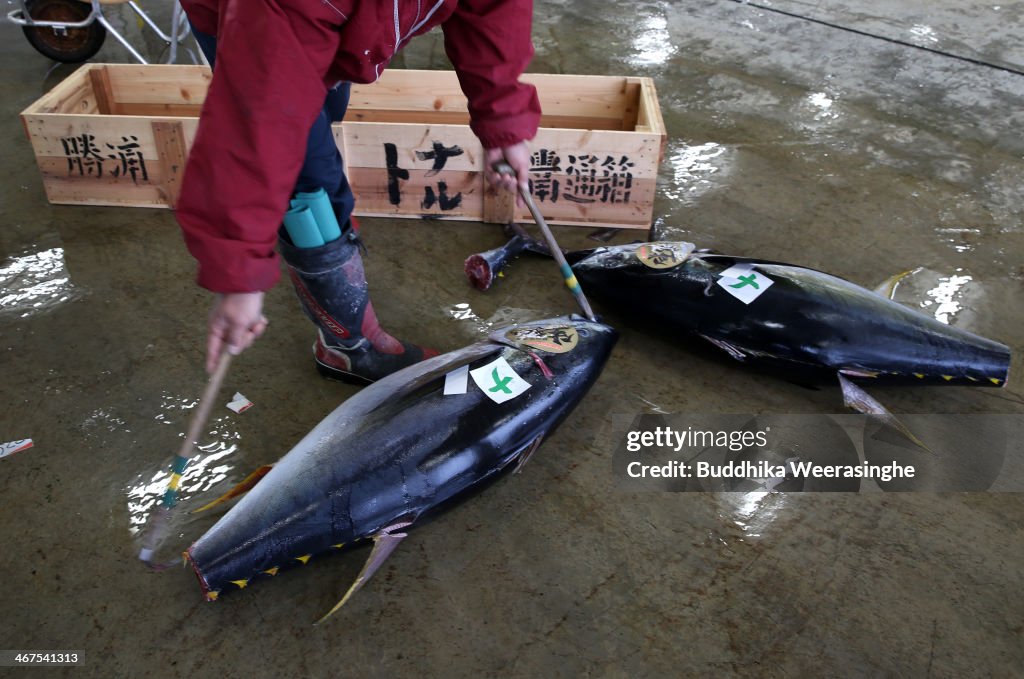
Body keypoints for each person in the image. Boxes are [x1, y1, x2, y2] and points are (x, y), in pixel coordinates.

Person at [177, 0, 541, 381]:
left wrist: (502, 118)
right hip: (257, 19)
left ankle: (329, 280)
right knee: (310, 179)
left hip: (340, 22)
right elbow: (259, 125)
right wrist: (239, 272)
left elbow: (493, 9)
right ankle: (346, 347)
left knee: (327, 112)